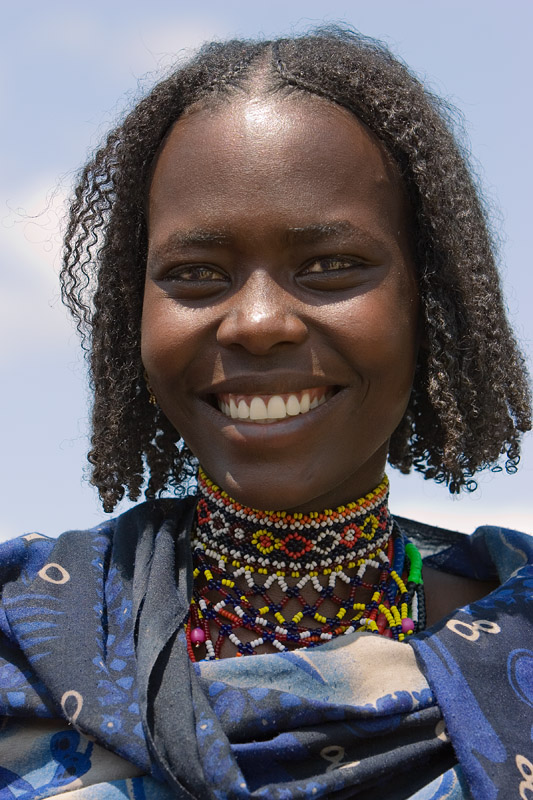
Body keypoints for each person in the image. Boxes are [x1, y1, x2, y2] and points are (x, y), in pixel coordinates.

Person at [0, 27, 531, 800]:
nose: (256, 321)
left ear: (429, 302)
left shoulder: (514, 632)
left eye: (330, 267)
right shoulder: (27, 638)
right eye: (196, 273)